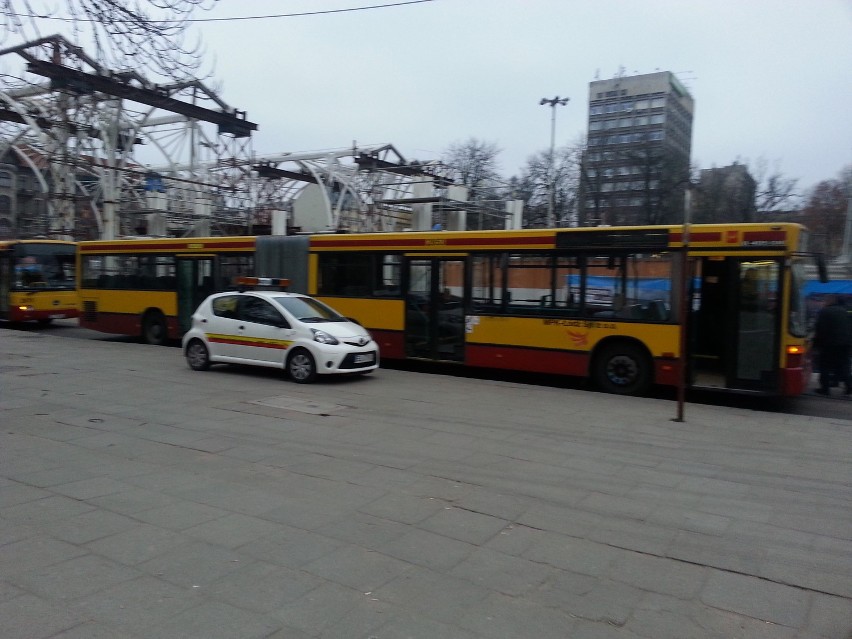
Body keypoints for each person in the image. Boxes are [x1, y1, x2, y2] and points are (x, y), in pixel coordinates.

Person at [812, 294, 851, 396]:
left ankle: (825, 389)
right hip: (845, 344)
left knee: (824, 366)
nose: (824, 301)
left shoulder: (825, 312)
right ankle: (849, 387)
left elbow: (820, 330)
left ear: (830, 301)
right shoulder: (844, 311)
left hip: (829, 344)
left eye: (825, 300)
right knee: (844, 366)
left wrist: (815, 346)